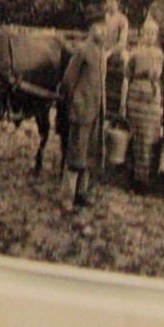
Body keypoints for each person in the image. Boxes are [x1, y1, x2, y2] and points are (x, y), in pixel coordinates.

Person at [59, 26, 111, 211]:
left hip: (96, 111)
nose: (103, 32)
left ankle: (82, 192)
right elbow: (68, 80)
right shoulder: (82, 50)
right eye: (100, 28)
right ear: (92, 29)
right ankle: (68, 196)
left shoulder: (101, 52)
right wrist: (74, 104)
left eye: (104, 28)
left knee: (89, 154)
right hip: (81, 111)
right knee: (75, 155)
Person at [122, 17, 164, 192]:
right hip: (136, 97)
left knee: (149, 139)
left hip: (152, 100)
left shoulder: (160, 55)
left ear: (156, 36)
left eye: (153, 33)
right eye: (147, 33)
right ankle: (132, 179)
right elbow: (127, 78)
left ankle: (145, 180)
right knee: (136, 138)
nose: (150, 36)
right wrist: (123, 103)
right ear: (142, 34)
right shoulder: (134, 53)